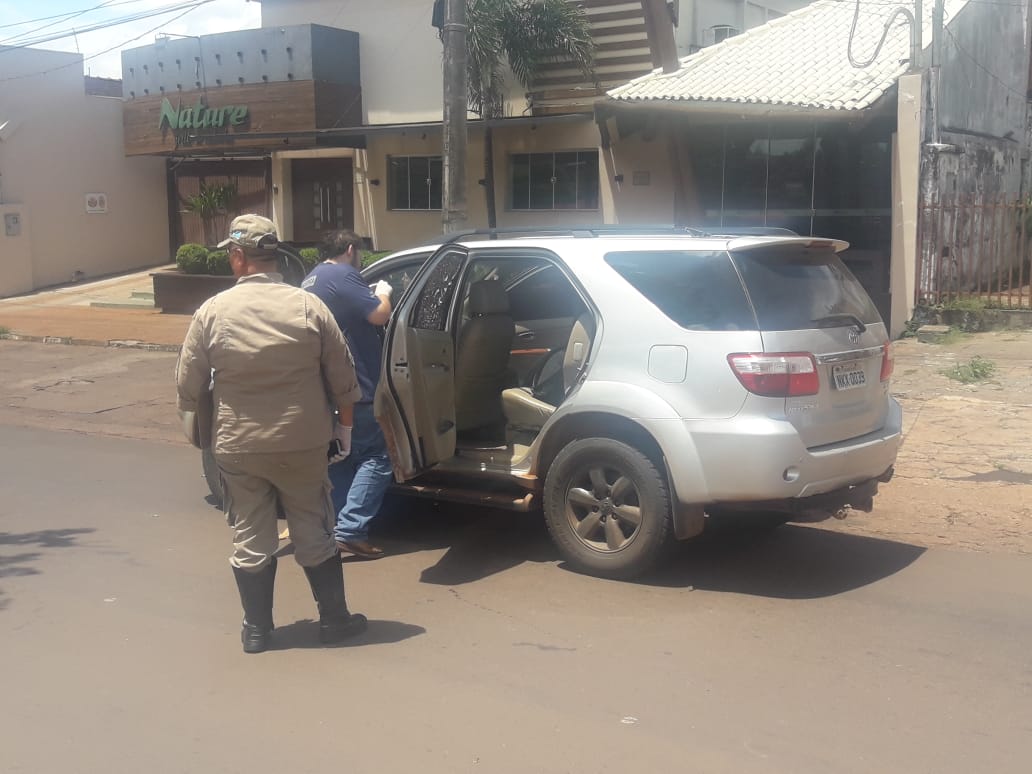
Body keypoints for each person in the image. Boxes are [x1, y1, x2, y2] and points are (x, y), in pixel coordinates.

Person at [176, 214, 367, 654]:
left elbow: (187, 386)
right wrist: (344, 431)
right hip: (303, 443)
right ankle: (334, 621)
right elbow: (344, 380)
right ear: (274, 256)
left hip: (239, 446)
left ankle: (258, 631)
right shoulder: (308, 306)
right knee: (314, 528)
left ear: (239, 257)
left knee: (250, 535)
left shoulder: (212, 312)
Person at [302, 229, 394, 560]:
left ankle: (337, 523)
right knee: (377, 457)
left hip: (324, 385)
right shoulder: (344, 275)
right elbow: (379, 315)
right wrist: (383, 293)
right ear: (351, 250)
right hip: (359, 384)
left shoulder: (311, 280)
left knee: (340, 455)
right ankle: (351, 529)